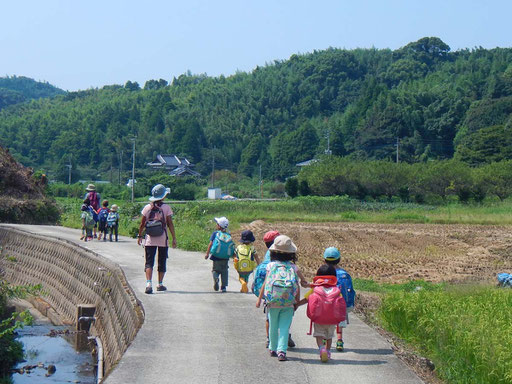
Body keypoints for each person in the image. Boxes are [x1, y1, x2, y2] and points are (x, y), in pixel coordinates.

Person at [256, 235, 301, 361]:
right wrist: (296, 301)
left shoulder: (270, 266)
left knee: (273, 325)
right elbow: (298, 285)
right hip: (288, 303)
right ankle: (282, 351)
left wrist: (260, 299)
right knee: (285, 327)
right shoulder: (293, 268)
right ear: (291, 254)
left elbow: (266, 283)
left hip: (272, 302)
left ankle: (272, 348)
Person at [295, 264, 346, 363]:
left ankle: (321, 349)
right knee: (329, 337)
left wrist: (297, 305)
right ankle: (328, 351)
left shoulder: (315, 289)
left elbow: (306, 299)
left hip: (318, 318)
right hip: (332, 319)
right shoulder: (336, 290)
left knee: (319, 335)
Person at [137, 184, 177, 294]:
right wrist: (174, 238)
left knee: (149, 262)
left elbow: (142, 224)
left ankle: (148, 284)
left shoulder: (147, 207)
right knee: (162, 261)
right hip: (162, 239)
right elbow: (170, 224)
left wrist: (139, 236)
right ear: (163, 196)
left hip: (149, 239)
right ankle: (160, 284)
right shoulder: (166, 208)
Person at [323, 247, 356, 352]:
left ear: (324, 260)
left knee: (326, 321)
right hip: (341, 304)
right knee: (339, 322)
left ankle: (325, 339)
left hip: (327, 303)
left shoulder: (324, 273)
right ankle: (339, 341)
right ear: (339, 259)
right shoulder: (344, 274)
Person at [204, 217, 235, 293]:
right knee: (224, 271)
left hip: (216, 257)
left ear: (219, 226)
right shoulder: (228, 235)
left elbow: (210, 244)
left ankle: (216, 277)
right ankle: (223, 287)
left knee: (215, 270)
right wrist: (234, 256)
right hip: (225, 258)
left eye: (217, 224)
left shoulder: (215, 233)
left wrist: (207, 254)